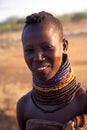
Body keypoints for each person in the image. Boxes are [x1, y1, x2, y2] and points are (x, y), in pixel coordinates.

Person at [16, 11, 87, 130]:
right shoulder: (23, 106)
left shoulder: (83, 102)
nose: (38, 57)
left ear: (64, 46)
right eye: (29, 50)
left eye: (47, 47)